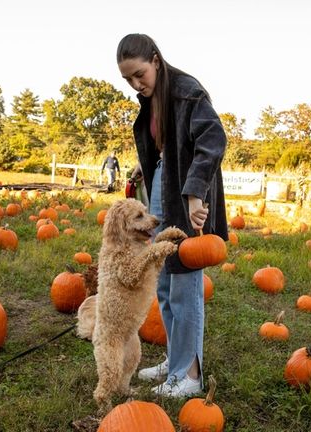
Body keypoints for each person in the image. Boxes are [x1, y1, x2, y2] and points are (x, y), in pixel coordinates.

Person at [117, 33, 228, 398]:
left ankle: (190, 374)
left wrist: (196, 193)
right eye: (128, 79)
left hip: (187, 189)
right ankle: (175, 358)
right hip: (165, 182)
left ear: (156, 60)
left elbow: (212, 140)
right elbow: (168, 143)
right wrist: (144, 166)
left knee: (184, 281)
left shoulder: (187, 90)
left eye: (139, 74)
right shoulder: (154, 98)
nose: (136, 83)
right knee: (162, 280)